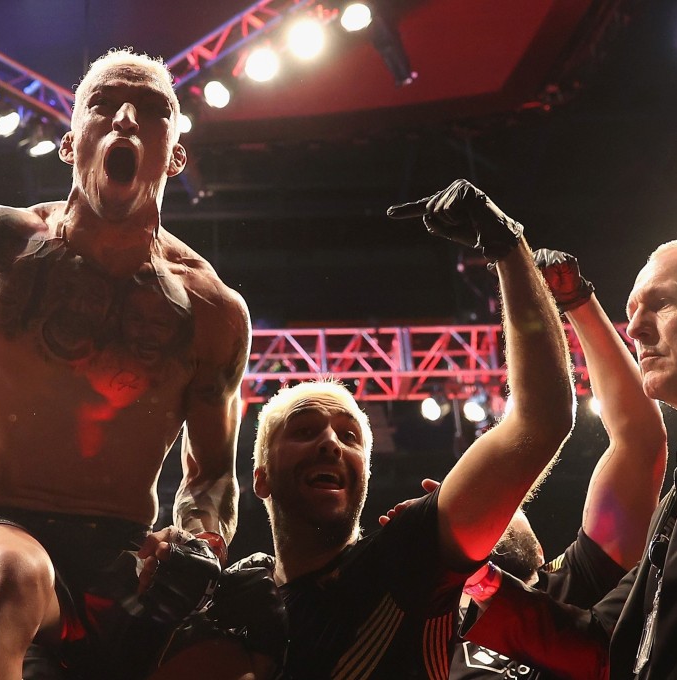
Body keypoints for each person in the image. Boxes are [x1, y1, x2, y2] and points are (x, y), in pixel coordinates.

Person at [0, 48, 253, 678]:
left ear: (176, 155)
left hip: (128, 553)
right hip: (3, 525)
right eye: (104, 104)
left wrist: (198, 542)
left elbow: (212, 478)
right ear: (71, 143)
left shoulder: (211, 309)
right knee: (10, 579)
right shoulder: (1, 240)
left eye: (150, 110)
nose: (124, 117)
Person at [240, 179, 576, 679]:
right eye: (304, 429)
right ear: (261, 476)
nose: (330, 442)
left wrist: (508, 247)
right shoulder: (239, 601)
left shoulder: (406, 557)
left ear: (366, 475)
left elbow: (542, 419)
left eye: (349, 435)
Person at [442, 248, 667, 679]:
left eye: (509, 503)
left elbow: (638, 440)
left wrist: (578, 303)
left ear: (542, 554)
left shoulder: (574, 585)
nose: (492, 499)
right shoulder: (425, 634)